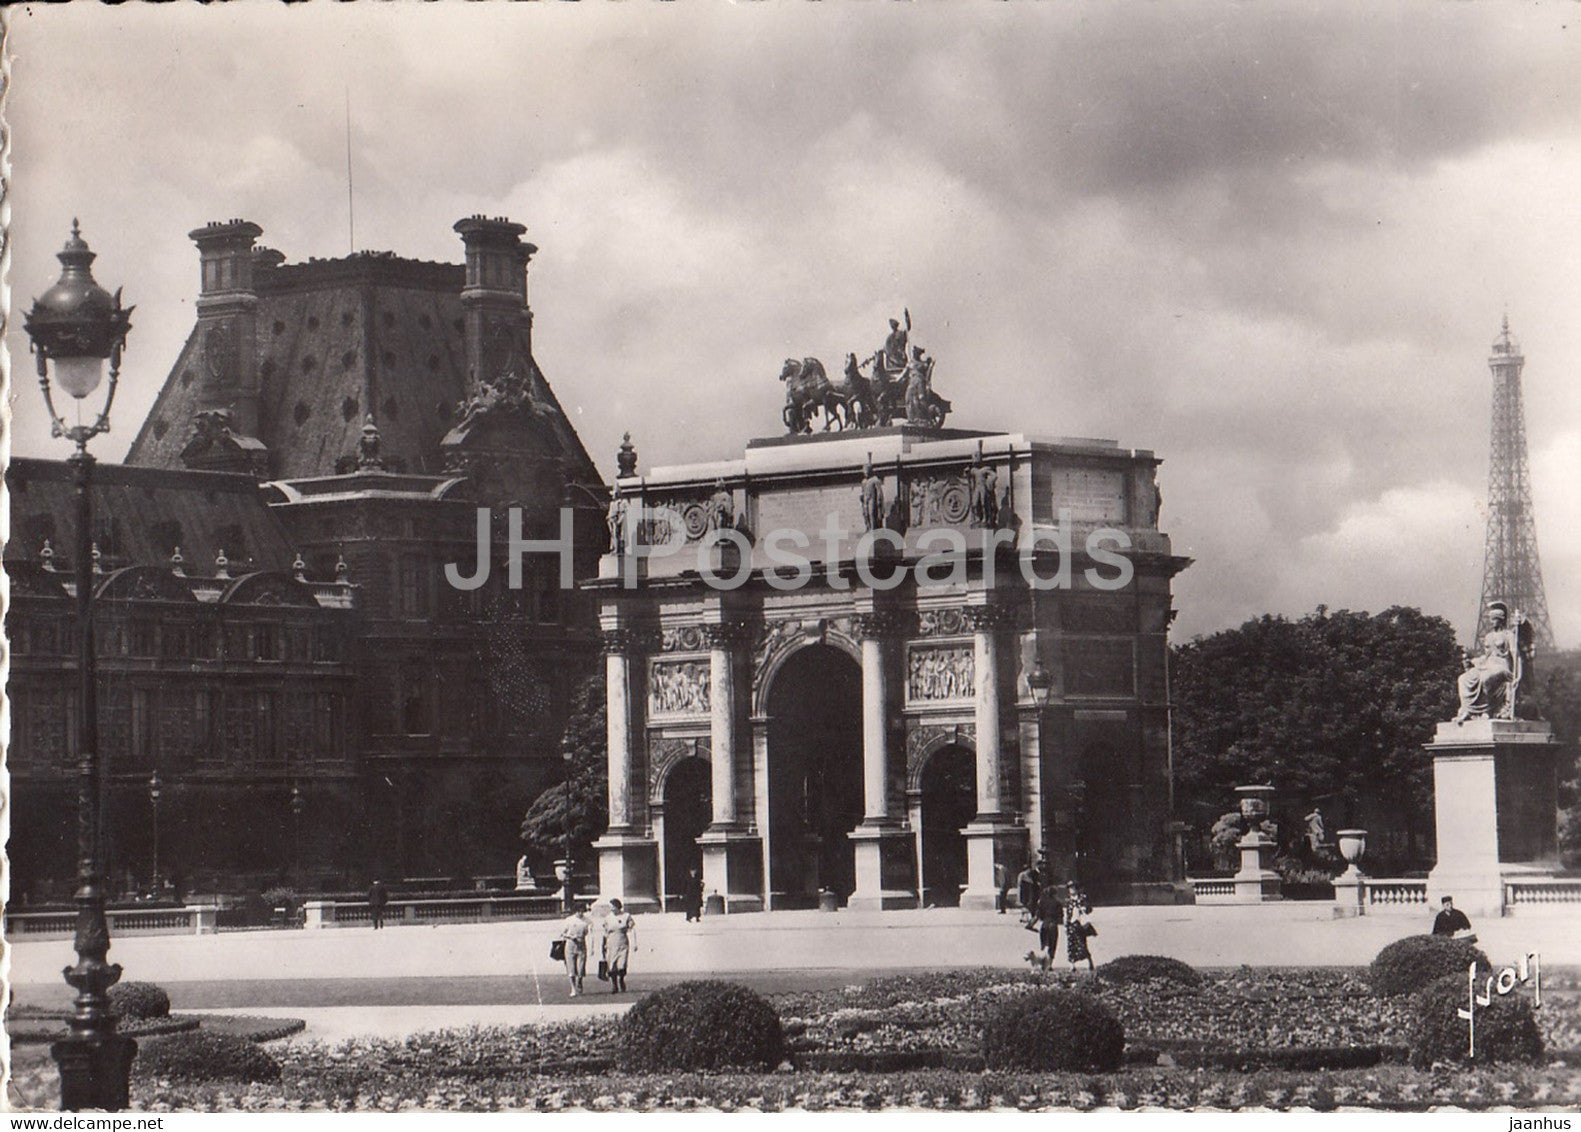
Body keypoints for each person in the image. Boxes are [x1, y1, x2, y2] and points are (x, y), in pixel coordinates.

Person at [1455, 602, 1527, 722]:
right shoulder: (1488, 636)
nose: (1491, 622)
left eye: (1493, 619)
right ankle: (1467, 710)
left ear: (1501, 620)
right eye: (1490, 619)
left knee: (1486, 678)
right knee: (1463, 678)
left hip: (1502, 666)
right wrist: (1474, 660)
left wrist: (1518, 676)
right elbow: (1486, 656)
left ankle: (1487, 711)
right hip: (1487, 665)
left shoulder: (1508, 635)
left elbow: (1517, 656)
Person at [602, 898, 636, 993]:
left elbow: (632, 929)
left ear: (618, 907)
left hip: (623, 941)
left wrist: (635, 943)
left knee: (622, 964)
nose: (612, 909)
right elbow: (605, 932)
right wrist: (604, 944)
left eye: (613, 907)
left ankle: (621, 979)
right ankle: (614, 985)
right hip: (611, 942)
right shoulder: (608, 918)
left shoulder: (626, 916)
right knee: (612, 965)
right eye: (611, 907)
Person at [558, 907, 592, 996]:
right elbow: (562, 933)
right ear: (575, 911)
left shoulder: (587, 921)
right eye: (578, 911)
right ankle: (573, 988)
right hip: (570, 945)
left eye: (582, 911)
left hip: (582, 945)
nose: (580, 913)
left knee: (581, 968)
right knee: (571, 968)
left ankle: (580, 982)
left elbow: (590, 934)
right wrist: (570, 936)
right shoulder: (569, 920)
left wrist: (592, 947)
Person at [1064, 881, 1095, 973]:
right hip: (1071, 925)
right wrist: (1065, 925)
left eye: (1073, 888)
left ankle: (1089, 963)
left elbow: (1089, 909)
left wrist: (1084, 909)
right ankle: (1072, 965)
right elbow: (1066, 913)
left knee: (1082, 944)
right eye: (1070, 888)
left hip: (1080, 924)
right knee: (1071, 945)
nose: (1071, 890)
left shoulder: (1082, 898)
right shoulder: (1068, 900)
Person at [1035, 878, 1063, 970]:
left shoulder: (1042, 902)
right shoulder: (1058, 903)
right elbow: (1061, 918)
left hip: (1044, 925)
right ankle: (1050, 964)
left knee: (1044, 945)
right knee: (1052, 945)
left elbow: (1038, 916)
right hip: (1053, 925)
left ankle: (1041, 964)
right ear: (1055, 894)